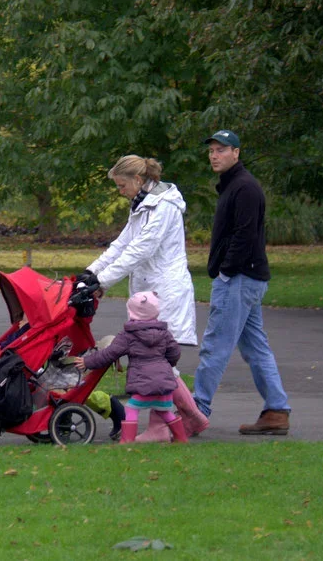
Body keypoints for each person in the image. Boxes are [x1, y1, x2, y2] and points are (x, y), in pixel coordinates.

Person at [193, 129, 291, 436]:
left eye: (221, 149)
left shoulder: (244, 187)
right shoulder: (233, 185)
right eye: (212, 150)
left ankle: (196, 411)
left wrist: (226, 270)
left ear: (236, 152)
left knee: (215, 346)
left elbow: (245, 235)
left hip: (239, 278)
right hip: (245, 277)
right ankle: (276, 411)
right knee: (256, 348)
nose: (214, 155)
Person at [78, 155, 197, 346]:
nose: (120, 191)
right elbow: (122, 244)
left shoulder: (164, 206)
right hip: (148, 292)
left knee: (158, 355)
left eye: (122, 185)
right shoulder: (142, 205)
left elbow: (141, 249)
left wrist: (102, 281)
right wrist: (91, 272)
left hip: (165, 290)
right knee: (145, 354)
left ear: (138, 180)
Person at [74, 291, 188, 443]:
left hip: (143, 382)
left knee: (131, 408)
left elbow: (110, 353)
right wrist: (167, 365)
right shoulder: (164, 334)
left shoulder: (128, 336)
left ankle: (127, 440)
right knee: (164, 411)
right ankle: (181, 438)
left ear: (131, 312)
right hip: (163, 381)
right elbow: (175, 353)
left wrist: (87, 362)